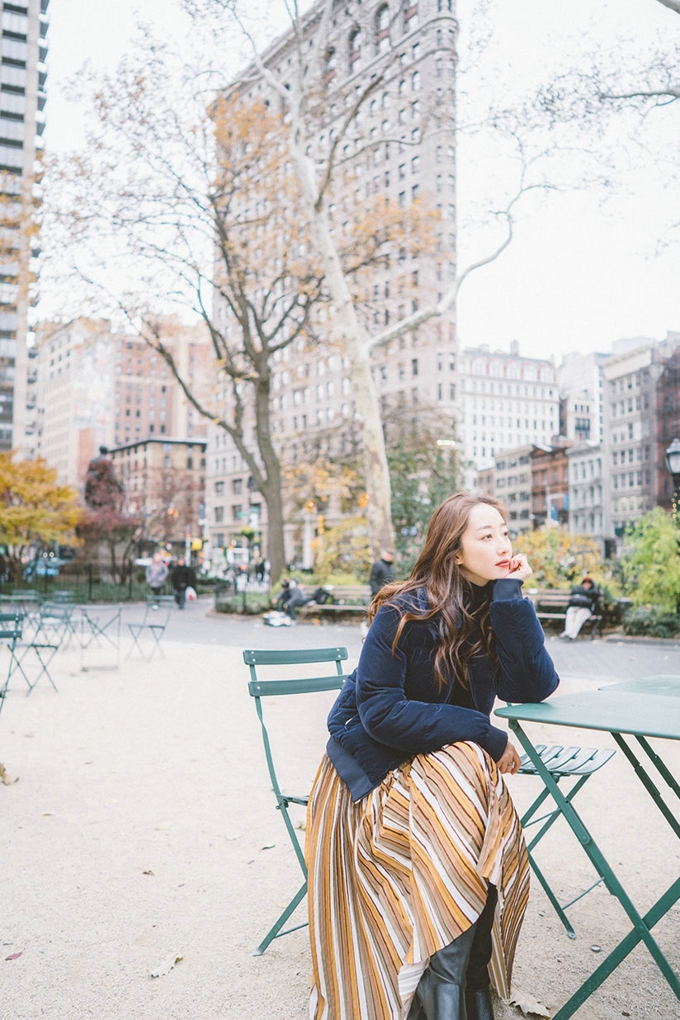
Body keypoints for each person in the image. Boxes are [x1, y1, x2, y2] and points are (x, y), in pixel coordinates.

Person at [306, 493, 560, 1020]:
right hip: (376, 770)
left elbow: (533, 686)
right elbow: (379, 713)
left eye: (505, 532)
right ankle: (454, 987)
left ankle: (462, 983)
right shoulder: (403, 611)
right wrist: (483, 732)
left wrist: (512, 597)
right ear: (454, 552)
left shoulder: (494, 609)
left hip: (448, 780)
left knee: (467, 773)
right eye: (485, 536)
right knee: (471, 768)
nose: (502, 544)